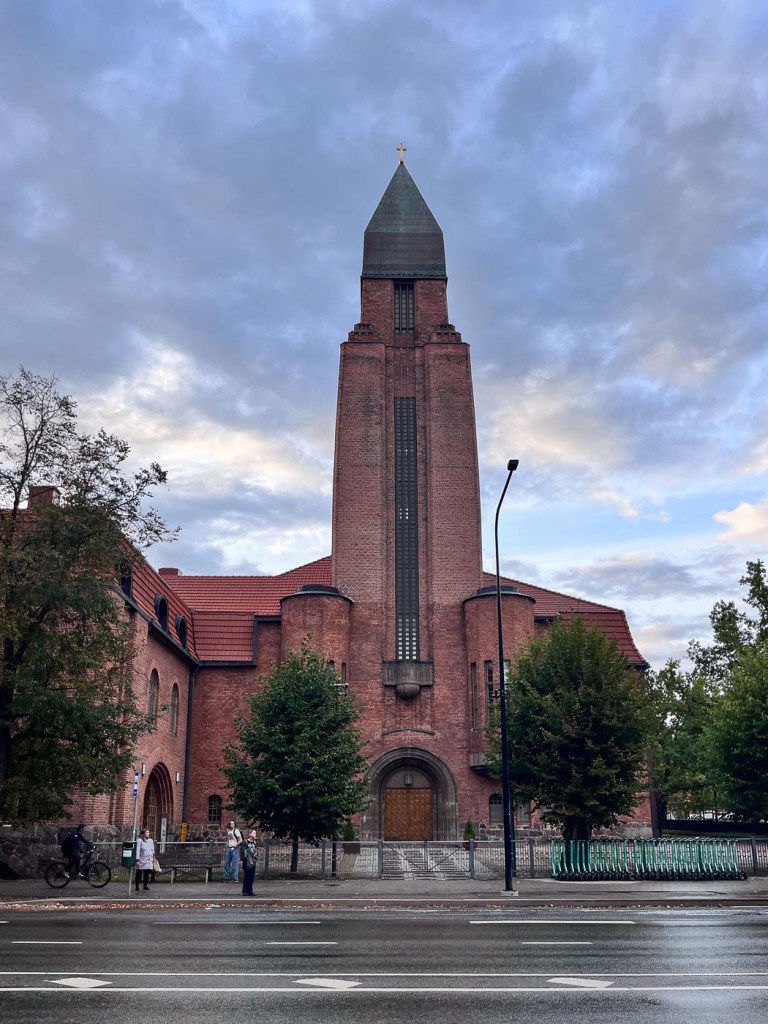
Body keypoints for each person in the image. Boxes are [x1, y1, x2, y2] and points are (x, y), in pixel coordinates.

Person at [135, 828, 155, 892]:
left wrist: (152, 857)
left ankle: (145, 885)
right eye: (147, 832)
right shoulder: (139, 841)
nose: (148, 833)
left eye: (148, 832)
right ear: (143, 834)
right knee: (139, 872)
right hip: (141, 858)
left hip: (148, 858)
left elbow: (152, 849)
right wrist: (137, 858)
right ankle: (137, 886)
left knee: (146, 872)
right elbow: (137, 850)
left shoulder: (150, 840)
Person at [241, 830, 258, 896]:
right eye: (254, 833)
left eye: (255, 833)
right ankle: (245, 891)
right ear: (250, 834)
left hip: (253, 861)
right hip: (247, 861)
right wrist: (250, 851)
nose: (255, 834)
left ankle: (250, 891)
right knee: (247, 876)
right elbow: (243, 851)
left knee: (251, 877)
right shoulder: (245, 842)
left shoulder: (254, 842)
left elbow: (255, 851)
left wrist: (256, 853)